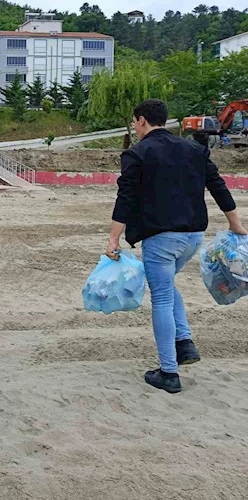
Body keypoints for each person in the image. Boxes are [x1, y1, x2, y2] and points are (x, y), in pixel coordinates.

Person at [107, 99, 247, 394]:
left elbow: (126, 197)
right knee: (167, 285)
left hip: (161, 238)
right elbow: (218, 186)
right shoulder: (194, 149)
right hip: (194, 235)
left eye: (134, 121)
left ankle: (169, 372)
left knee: (161, 297)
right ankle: (184, 343)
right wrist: (235, 224)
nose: (134, 126)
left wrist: (114, 239)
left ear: (142, 120)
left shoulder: (137, 153)